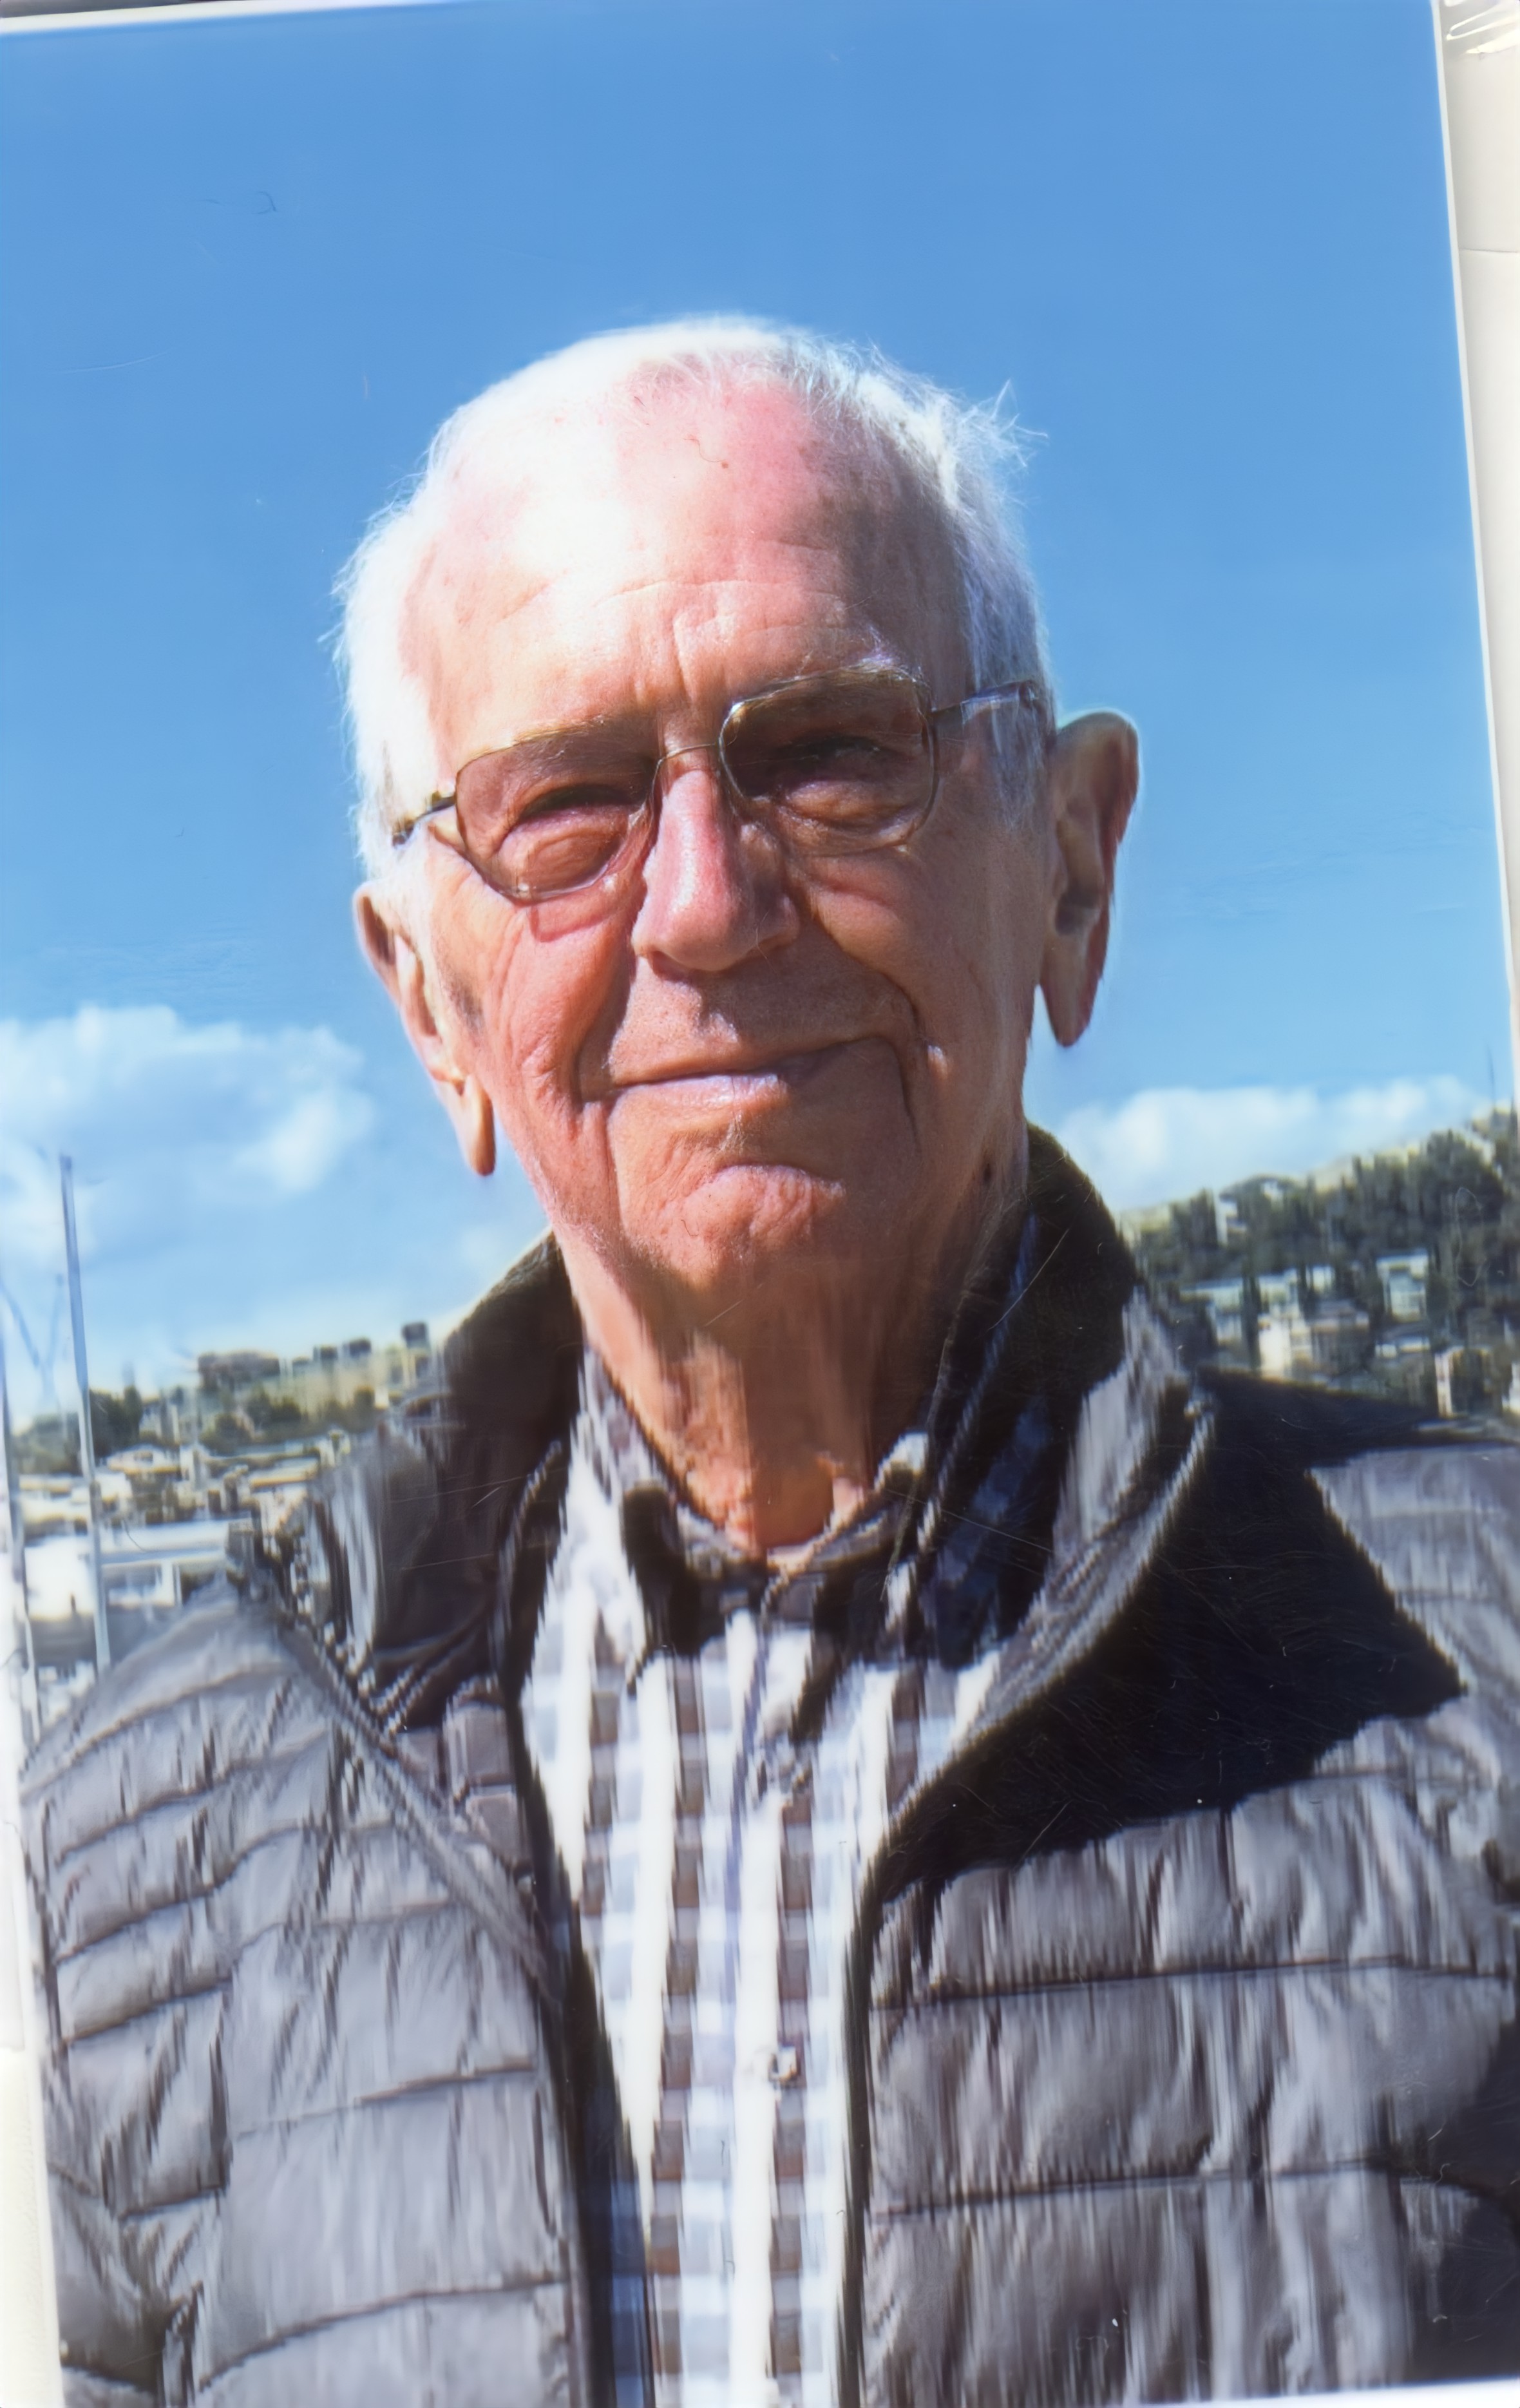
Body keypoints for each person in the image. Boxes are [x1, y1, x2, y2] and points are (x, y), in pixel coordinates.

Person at [22, 321, 1520, 2408]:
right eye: (567, 806)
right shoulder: (123, 1856)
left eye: (828, 750)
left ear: (1073, 863)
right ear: (429, 1005)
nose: (709, 904)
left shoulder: (1482, 1657)